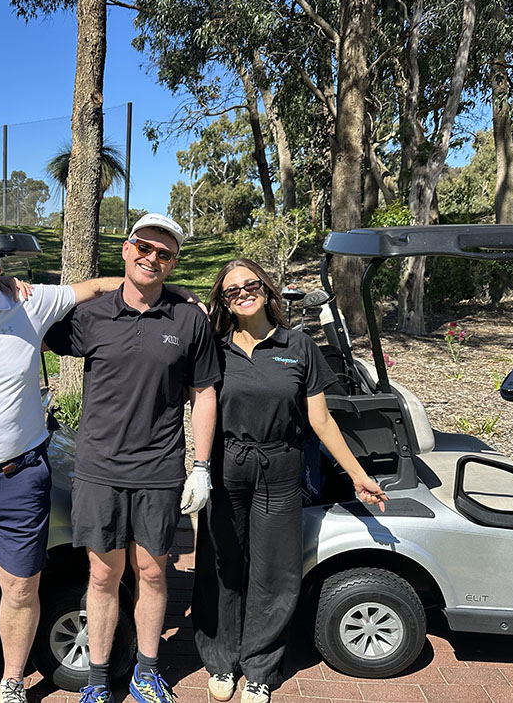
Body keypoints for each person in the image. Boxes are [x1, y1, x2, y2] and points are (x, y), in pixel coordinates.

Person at [0, 233, 128, 703]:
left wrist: (172, 292)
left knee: (19, 586)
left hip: (21, 477)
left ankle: (11, 681)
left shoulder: (29, 306)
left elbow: (97, 288)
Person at [191, 258, 388, 703]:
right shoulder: (214, 347)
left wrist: (358, 476)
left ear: (266, 288)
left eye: (250, 284)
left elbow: (320, 421)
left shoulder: (297, 345)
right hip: (227, 466)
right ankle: (222, 660)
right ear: (222, 302)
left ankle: (260, 666)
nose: (243, 292)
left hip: (280, 467)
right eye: (231, 290)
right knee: (221, 566)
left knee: (274, 571)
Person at [44, 213, 220, 703]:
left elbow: (204, 393)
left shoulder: (189, 320)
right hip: (98, 469)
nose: (153, 259)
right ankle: (98, 680)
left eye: (165, 254)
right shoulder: (92, 317)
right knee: (102, 575)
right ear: (126, 248)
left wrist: (201, 467)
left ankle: (146, 671)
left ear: (174, 262)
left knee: (153, 572)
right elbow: (36, 318)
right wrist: (100, 284)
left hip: (160, 471)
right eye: (144, 247)